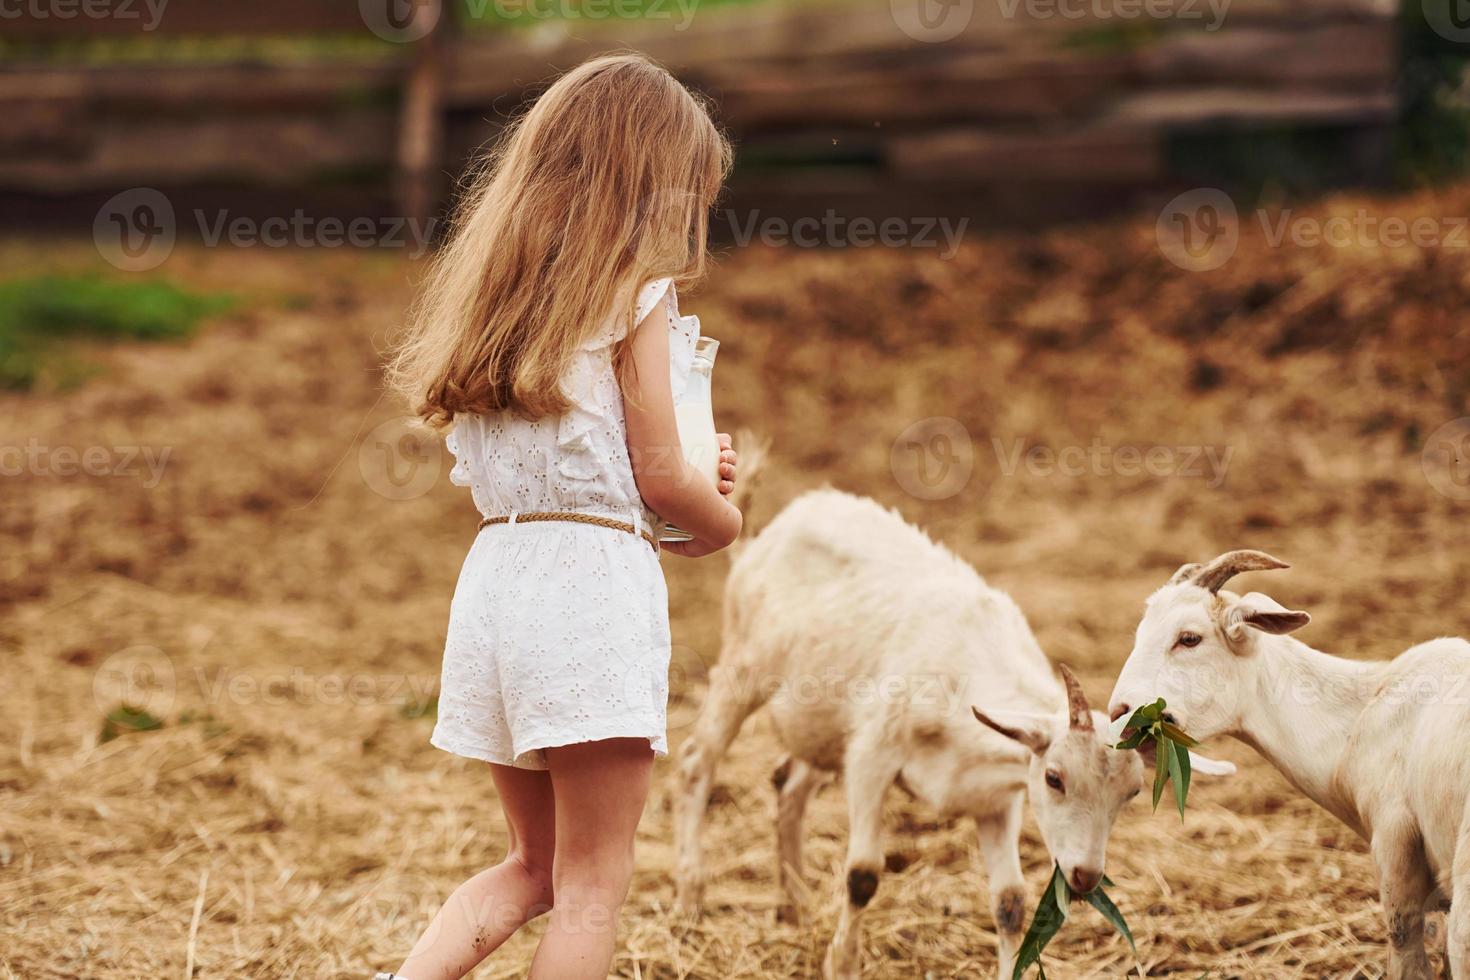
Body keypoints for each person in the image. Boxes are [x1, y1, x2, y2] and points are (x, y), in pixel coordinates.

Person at [380, 52, 742, 980]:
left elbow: (592, 469)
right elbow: (659, 480)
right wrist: (720, 514)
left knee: (531, 868)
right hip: (589, 600)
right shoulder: (638, 293)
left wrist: (687, 483)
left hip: (498, 590)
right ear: (647, 181)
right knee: (589, 885)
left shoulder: (496, 300)